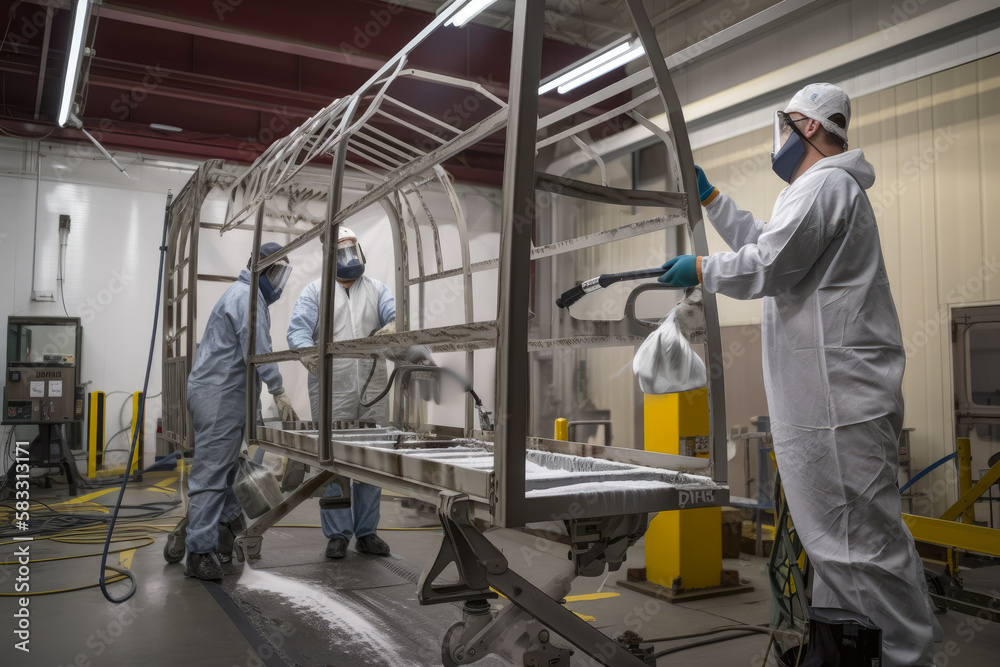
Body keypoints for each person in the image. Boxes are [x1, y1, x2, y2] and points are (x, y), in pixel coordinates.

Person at [659, 83, 941, 666]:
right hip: (824, 407)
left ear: (809, 126)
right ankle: (855, 654)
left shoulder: (827, 184)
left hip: (840, 406)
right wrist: (711, 199)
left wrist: (703, 268)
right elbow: (770, 242)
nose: (778, 138)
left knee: (862, 555)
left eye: (782, 125)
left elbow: (771, 262)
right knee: (839, 556)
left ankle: (908, 658)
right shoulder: (814, 191)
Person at [287, 226, 433, 559]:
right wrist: (309, 354)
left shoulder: (378, 290)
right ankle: (337, 533)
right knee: (333, 462)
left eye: (353, 249)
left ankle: (366, 531)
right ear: (328, 257)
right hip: (332, 388)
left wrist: (414, 351)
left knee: (371, 459)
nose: (350, 257)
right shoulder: (315, 293)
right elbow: (297, 331)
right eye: (342, 252)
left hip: (374, 388)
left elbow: (398, 325)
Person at [183, 242, 297, 580]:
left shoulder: (245, 295)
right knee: (211, 476)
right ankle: (198, 552)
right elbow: (258, 351)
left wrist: (254, 413)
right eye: (277, 273)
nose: (279, 282)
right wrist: (279, 391)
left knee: (229, 471)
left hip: (224, 395)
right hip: (219, 397)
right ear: (264, 270)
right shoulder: (247, 300)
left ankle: (223, 532)